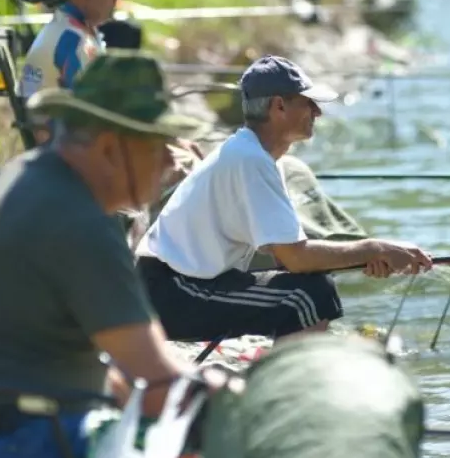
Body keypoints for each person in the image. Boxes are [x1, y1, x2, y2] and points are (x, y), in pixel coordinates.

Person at [0, 52, 218, 458]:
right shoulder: (80, 220)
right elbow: (161, 378)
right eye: (157, 145)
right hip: (22, 446)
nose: (170, 162)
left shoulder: (26, 175)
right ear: (110, 148)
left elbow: (118, 365)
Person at [134, 55, 434, 343]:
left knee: (314, 288)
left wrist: (368, 258)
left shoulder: (253, 154)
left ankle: (282, 375)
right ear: (279, 106)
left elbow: (284, 257)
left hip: (176, 284)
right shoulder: (250, 159)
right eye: (308, 103)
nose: (317, 112)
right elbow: (296, 258)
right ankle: (281, 385)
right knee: (307, 298)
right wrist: (372, 248)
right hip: (172, 291)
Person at [15, 0, 144, 145]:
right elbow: (96, 108)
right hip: (67, 150)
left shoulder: (67, 30)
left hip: (62, 142)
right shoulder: (74, 40)